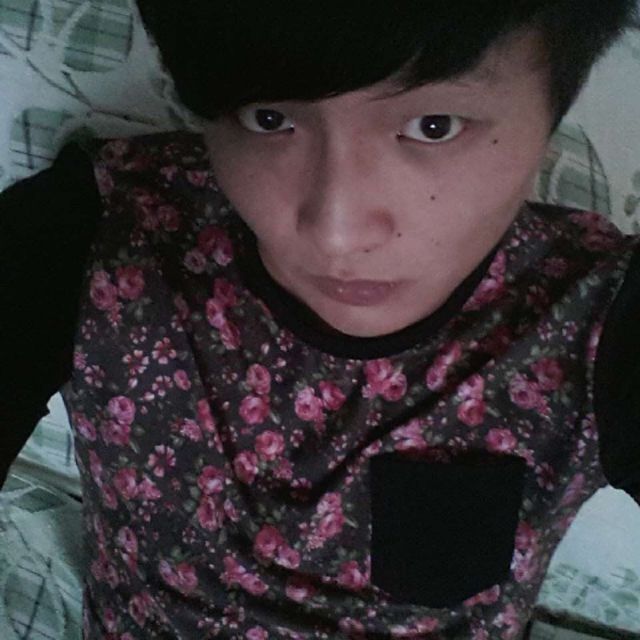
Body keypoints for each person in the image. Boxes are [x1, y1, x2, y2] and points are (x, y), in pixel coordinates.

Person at [1, 2, 639, 638]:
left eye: (434, 126)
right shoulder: (103, 230)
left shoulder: (593, 316)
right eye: (269, 118)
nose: (337, 232)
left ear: (551, 115)